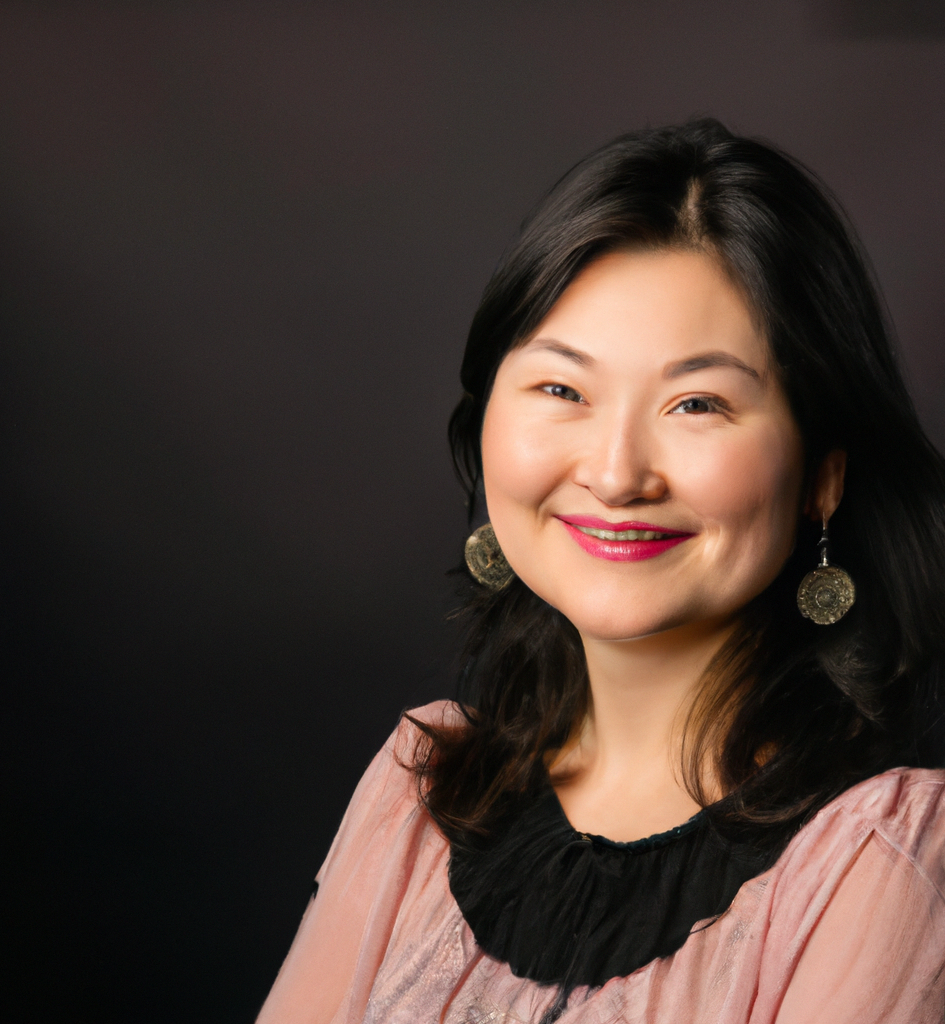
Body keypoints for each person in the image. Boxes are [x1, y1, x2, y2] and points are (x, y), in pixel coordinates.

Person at [257, 118, 945, 1023]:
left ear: (823, 471)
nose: (617, 474)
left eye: (697, 403)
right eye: (561, 390)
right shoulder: (419, 794)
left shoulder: (881, 855)